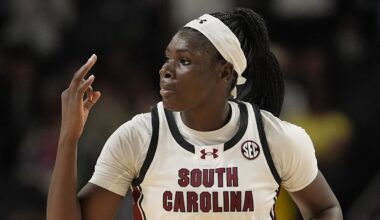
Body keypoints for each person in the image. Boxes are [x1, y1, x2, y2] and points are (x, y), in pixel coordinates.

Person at [47, 7, 343, 220]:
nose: (166, 70)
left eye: (184, 60)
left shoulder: (272, 137)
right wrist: (68, 138)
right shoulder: (139, 136)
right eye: (167, 59)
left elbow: (325, 208)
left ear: (224, 72)